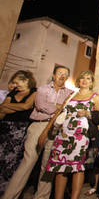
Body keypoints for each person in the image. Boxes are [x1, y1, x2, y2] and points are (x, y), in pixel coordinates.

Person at [2, 66, 73, 199]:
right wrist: (58, 107)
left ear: (67, 78)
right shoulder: (42, 89)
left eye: (65, 74)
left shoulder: (69, 93)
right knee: (27, 162)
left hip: (56, 128)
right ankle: (9, 196)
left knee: (47, 166)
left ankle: (42, 197)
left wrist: (59, 108)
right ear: (53, 75)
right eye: (59, 73)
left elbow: (66, 110)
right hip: (38, 125)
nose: (62, 76)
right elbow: (41, 105)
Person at [38, 70, 99, 199]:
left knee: (77, 167)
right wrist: (45, 131)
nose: (85, 80)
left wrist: (87, 113)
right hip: (63, 134)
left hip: (80, 136)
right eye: (83, 78)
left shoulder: (96, 97)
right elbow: (58, 113)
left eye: (88, 79)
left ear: (92, 82)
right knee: (60, 166)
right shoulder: (71, 95)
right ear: (79, 81)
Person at [0, 70, 37, 195]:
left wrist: (10, 107)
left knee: (12, 161)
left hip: (20, 129)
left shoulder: (34, 91)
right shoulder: (13, 92)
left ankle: (6, 191)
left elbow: (26, 107)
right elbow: (2, 108)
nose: (15, 85)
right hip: (5, 128)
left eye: (17, 82)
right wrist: (17, 107)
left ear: (26, 80)